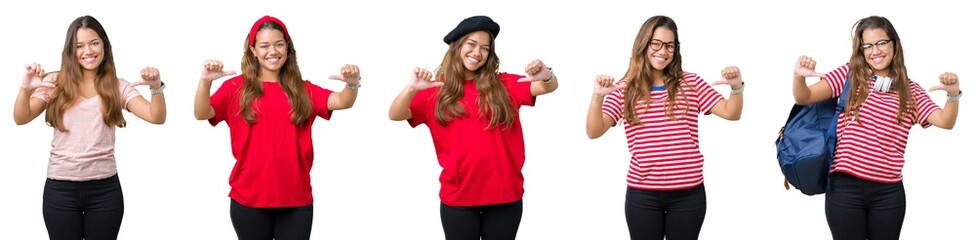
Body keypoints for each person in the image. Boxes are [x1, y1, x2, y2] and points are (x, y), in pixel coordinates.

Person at [387, 15, 558, 240]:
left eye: (485, 48)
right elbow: (395, 114)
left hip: (504, 196)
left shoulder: (503, 85)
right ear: (457, 46)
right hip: (458, 200)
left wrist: (547, 76)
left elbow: (548, 87)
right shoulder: (435, 90)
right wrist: (412, 88)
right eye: (471, 44)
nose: (478, 52)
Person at [193, 15, 361, 240]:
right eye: (264, 46)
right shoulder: (235, 88)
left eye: (279, 44)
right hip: (249, 200)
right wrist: (205, 81)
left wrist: (352, 84)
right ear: (253, 50)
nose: (273, 51)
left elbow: (343, 101)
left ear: (287, 47)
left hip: (296, 201)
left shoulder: (303, 90)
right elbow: (202, 113)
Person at [792, 16, 960, 240]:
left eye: (881, 43)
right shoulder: (849, 75)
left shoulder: (911, 91)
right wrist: (798, 77)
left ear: (894, 44)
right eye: (868, 46)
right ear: (861, 50)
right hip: (845, 189)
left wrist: (952, 95)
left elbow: (945, 121)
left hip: (889, 193)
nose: (875, 51)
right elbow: (805, 97)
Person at [585, 15, 744, 240]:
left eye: (670, 46)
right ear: (644, 44)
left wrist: (736, 87)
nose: (663, 51)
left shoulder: (691, 82)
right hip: (642, 195)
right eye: (656, 44)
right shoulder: (624, 89)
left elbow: (731, 113)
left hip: (688, 195)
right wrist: (597, 97)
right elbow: (594, 131)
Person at [12, 15, 167, 240]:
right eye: (79, 46)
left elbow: (156, 116)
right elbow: (21, 117)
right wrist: (25, 88)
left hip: (105, 191)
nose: (88, 51)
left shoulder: (116, 86)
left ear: (104, 44)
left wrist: (156, 87)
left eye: (94, 43)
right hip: (60, 189)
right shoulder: (55, 82)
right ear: (70, 50)